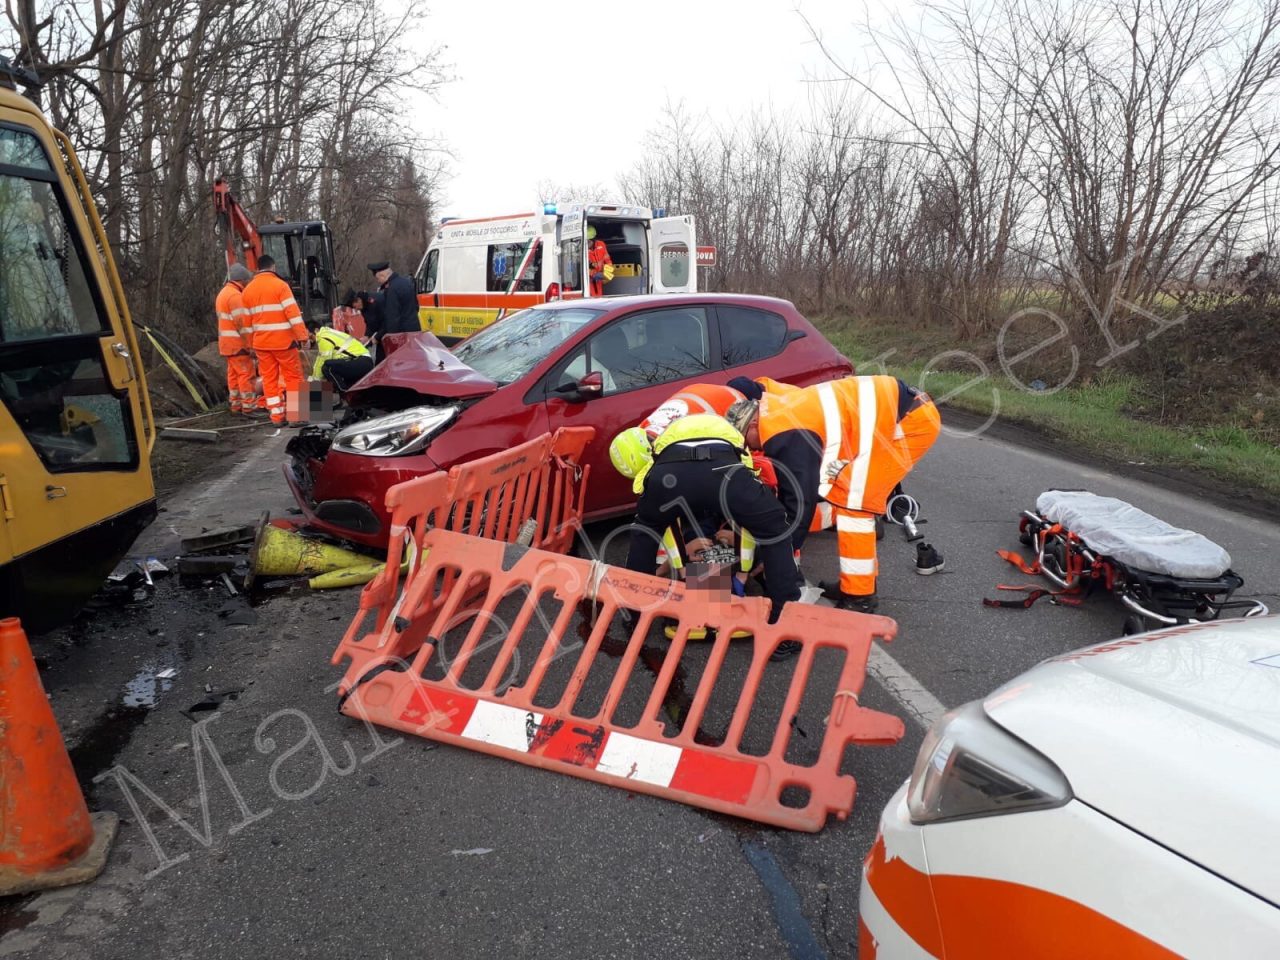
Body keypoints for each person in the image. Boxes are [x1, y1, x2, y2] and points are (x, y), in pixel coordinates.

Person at [728, 376, 942, 613]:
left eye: (748, 442)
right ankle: (857, 584)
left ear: (754, 424)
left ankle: (860, 598)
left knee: (855, 506)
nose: (754, 450)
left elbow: (800, 503)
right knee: (842, 493)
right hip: (900, 413)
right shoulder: (775, 405)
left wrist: (780, 555)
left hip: (909, 422)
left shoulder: (785, 433)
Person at [622, 413, 801, 630]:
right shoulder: (729, 432)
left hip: (672, 476)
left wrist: (675, 560)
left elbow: (647, 480)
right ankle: (784, 619)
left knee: (645, 533)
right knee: (774, 531)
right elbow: (746, 466)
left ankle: (634, 616)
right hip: (724, 472)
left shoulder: (663, 439)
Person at [243, 254, 309, 426]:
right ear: (273, 268)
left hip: (261, 345)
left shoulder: (248, 290)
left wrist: (250, 345)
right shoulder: (281, 286)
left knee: (269, 380)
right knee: (293, 377)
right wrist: (303, 336)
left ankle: (276, 417)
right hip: (284, 343)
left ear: (257, 269)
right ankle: (296, 416)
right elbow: (293, 315)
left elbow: (246, 324)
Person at [215, 263, 259, 416]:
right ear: (242, 280)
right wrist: (251, 346)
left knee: (233, 375)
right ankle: (249, 407)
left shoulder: (223, 293)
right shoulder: (235, 296)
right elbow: (242, 324)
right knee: (246, 374)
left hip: (227, 345)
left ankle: (236, 404)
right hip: (238, 345)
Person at [313, 325, 374, 392]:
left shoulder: (323, 337)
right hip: (361, 361)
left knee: (327, 367)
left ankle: (344, 393)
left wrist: (314, 383)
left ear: (316, 330)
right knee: (332, 368)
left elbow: (323, 360)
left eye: (307, 335)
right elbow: (320, 360)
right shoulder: (328, 333)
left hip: (361, 361)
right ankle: (344, 395)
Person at [368, 261, 418, 335]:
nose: (379, 282)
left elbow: (392, 316)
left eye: (378, 279)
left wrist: (392, 336)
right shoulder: (407, 282)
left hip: (402, 334)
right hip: (415, 329)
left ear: (382, 275)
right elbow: (416, 306)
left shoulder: (391, 289)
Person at [586, 225, 613, 296]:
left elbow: (607, 260)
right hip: (588, 280)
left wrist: (608, 274)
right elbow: (581, 266)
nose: (587, 243)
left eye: (589, 241)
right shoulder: (582, 249)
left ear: (593, 239)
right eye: (586, 241)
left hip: (599, 278)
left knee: (599, 296)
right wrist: (592, 274)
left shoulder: (601, 244)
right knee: (591, 297)